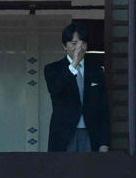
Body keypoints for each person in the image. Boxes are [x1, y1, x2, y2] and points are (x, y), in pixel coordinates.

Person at [43, 22, 111, 152]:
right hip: (64, 134)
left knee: (90, 171)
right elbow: (56, 89)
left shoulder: (96, 71)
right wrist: (74, 63)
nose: (80, 48)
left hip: (91, 134)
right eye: (74, 44)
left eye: (83, 43)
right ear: (64, 46)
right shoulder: (53, 69)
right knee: (65, 171)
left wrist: (104, 142)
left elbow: (103, 108)